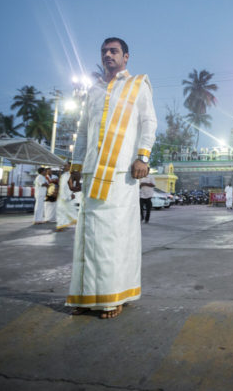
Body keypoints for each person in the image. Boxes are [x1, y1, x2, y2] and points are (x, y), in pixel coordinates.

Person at [66, 36, 157, 319]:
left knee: (116, 236)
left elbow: (148, 122)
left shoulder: (137, 85)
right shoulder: (93, 90)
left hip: (121, 172)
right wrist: (76, 167)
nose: (108, 54)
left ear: (126, 57)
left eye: (114, 51)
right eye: (104, 51)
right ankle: (87, 297)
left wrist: (143, 156)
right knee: (88, 236)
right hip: (93, 171)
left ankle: (114, 296)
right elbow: (83, 132)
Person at [55, 161, 77, 232]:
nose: (65, 167)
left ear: (70, 167)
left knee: (70, 210)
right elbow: (61, 185)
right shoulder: (64, 175)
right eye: (64, 166)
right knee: (61, 210)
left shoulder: (71, 175)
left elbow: (71, 185)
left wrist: (72, 193)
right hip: (62, 195)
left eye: (66, 166)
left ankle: (79, 223)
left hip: (67, 195)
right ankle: (60, 226)